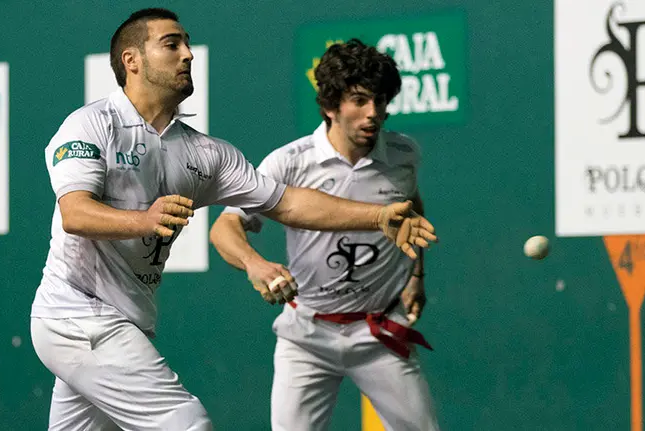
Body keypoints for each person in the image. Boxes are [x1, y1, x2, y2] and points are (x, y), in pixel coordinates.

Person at [29, 9, 437, 431]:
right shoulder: (92, 125)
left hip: (125, 321)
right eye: (171, 44)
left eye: (188, 44)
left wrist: (377, 216)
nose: (188, 54)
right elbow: (75, 213)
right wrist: (145, 220)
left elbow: (288, 203)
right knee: (187, 424)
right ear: (131, 61)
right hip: (78, 316)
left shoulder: (205, 154)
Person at [209, 39, 440, 431]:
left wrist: (416, 275)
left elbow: (412, 210)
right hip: (306, 337)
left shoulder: (403, 154)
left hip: (380, 331)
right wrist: (255, 264)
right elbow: (224, 227)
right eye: (359, 101)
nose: (373, 113)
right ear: (331, 106)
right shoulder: (289, 163)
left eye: (380, 101)